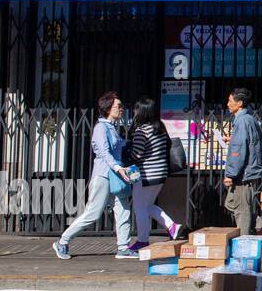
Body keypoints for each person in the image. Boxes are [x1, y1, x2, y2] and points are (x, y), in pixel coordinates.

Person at [53, 91, 135, 260]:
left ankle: (123, 247)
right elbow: (104, 153)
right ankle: (63, 241)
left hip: (116, 175)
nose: (121, 109)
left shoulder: (113, 128)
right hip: (104, 174)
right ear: (108, 109)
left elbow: (118, 148)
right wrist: (119, 168)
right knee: (93, 212)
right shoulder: (101, 128)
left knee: (123, 208)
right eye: (118, 106)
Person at [124, 97, 181, 250]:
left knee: (139, 207)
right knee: (148, 205)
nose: (134, 112)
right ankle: (172, 226)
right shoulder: (160, 128)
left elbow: (136, 155)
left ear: (142, 112)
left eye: (136, 109)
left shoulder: (142, 131)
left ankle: (143, 240)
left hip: (146, 175)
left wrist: (126, 149)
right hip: (160, 174)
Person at [223, 88, 262, 235]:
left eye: (230, 101)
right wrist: (232, 139)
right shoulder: (250, 119)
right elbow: (248, 143)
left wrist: (230, 174)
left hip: (243, 174)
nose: (228, 104)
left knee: (241, 210)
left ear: (239, 103)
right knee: (231, 203)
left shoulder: (242, 121)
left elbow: (238, 150)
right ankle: (260, 224)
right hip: (248, 170)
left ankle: (244, 241)